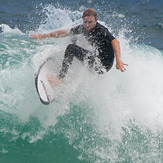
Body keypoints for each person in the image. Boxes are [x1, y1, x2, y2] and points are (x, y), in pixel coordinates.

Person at [30, 8, 128, 84]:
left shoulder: (101, 30)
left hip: (103, 65)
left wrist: (118, 59)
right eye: (85, 22)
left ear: (96, 20)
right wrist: (43, 36)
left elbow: (115, 41)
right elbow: (64, 33)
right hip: (96, 58)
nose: (88, 25)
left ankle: (60, 79)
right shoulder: (83, 28)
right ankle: (66, 70)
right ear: (83, 20)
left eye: (90, 22)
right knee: (73, 38)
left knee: (71, 48)